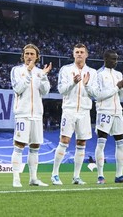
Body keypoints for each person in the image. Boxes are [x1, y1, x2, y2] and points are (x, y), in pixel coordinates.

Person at [50, 43, 98, 185]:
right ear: (73, 54)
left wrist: (87, 84)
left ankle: (76, 176)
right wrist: (73, 82)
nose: (79, 54)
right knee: (64, 141)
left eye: (82, 52)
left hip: (84, 111)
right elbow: (61, 90)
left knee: (81, 143)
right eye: (77, 52)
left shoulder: (93, 73)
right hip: (69, 110)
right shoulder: (66, 70)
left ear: (86, 55)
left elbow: (95, 93)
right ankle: (55, 174)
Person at [10, 44, 52, 187]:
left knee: (35, 146)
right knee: (19, 145)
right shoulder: (16, 70)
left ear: (37, 57)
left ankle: (33, 178)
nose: (29, 56)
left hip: (37, 115)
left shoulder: (40, 72)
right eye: (26, 53)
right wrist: (28, 73)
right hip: (22, 114)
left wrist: (44, 76)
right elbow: (18, 88)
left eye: (32, 54)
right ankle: (16, 179)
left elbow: (45, 91)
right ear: (23, 56)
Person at [94, 50, 123, 184]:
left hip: (118, 111)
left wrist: (122, 88)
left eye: (116, 59)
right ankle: (100, 176)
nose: (115, 62)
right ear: (105, 59)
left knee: (121, 143)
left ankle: (119, 175)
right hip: (104, 111)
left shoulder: (118, 74)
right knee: (101, 143)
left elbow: (122, 96)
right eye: (112, 59)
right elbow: (98, 95)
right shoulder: (98, 74)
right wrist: (117, 87)